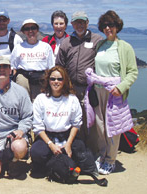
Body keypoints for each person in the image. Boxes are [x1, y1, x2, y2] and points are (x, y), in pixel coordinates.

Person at [92, 10, 138, 175]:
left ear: (117, 26)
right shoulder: (100, 45)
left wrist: (121, 87)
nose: (107, 28)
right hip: (98, 91)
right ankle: (102, 155)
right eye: (104, 25)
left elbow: (133, 72)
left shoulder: (124, 47)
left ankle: (110, 160)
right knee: (99, 126)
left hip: (114, 93)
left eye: (111, 24)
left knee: (112, 126)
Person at [55, 11, 103, 148]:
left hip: (90, 88)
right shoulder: (66, 42)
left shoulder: (97, 40)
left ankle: (94, 150)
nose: (79, 25)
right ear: (72, 24)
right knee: (76, 120)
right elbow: (59, 65)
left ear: (87, 23)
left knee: (92, 119)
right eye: (76, 22)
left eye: (82, 22)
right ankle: (79, 148)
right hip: (72, 88)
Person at [30, 66, 83, 176]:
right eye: (53, 79)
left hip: (66, 136)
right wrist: (51, 145)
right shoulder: (41, 99)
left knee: (82, 153)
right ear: (48, 80)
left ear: (65, 81)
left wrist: (68, 144)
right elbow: (38, 126)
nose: (56, 82)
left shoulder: (72, 99)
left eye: (60, 79)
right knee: (36, 153)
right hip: (47, 137)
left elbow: (76, 124)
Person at [11, 19, 55, 101]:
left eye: (33, 28)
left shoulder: (45, 47)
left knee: (39, 102)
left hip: (40, 77)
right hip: (24, 77)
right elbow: (14, 67)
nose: (30, 31)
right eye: (27, 29)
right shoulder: (18, 47)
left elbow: (51, 67)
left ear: (37, 30)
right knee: (23, 100)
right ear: (23, 32)